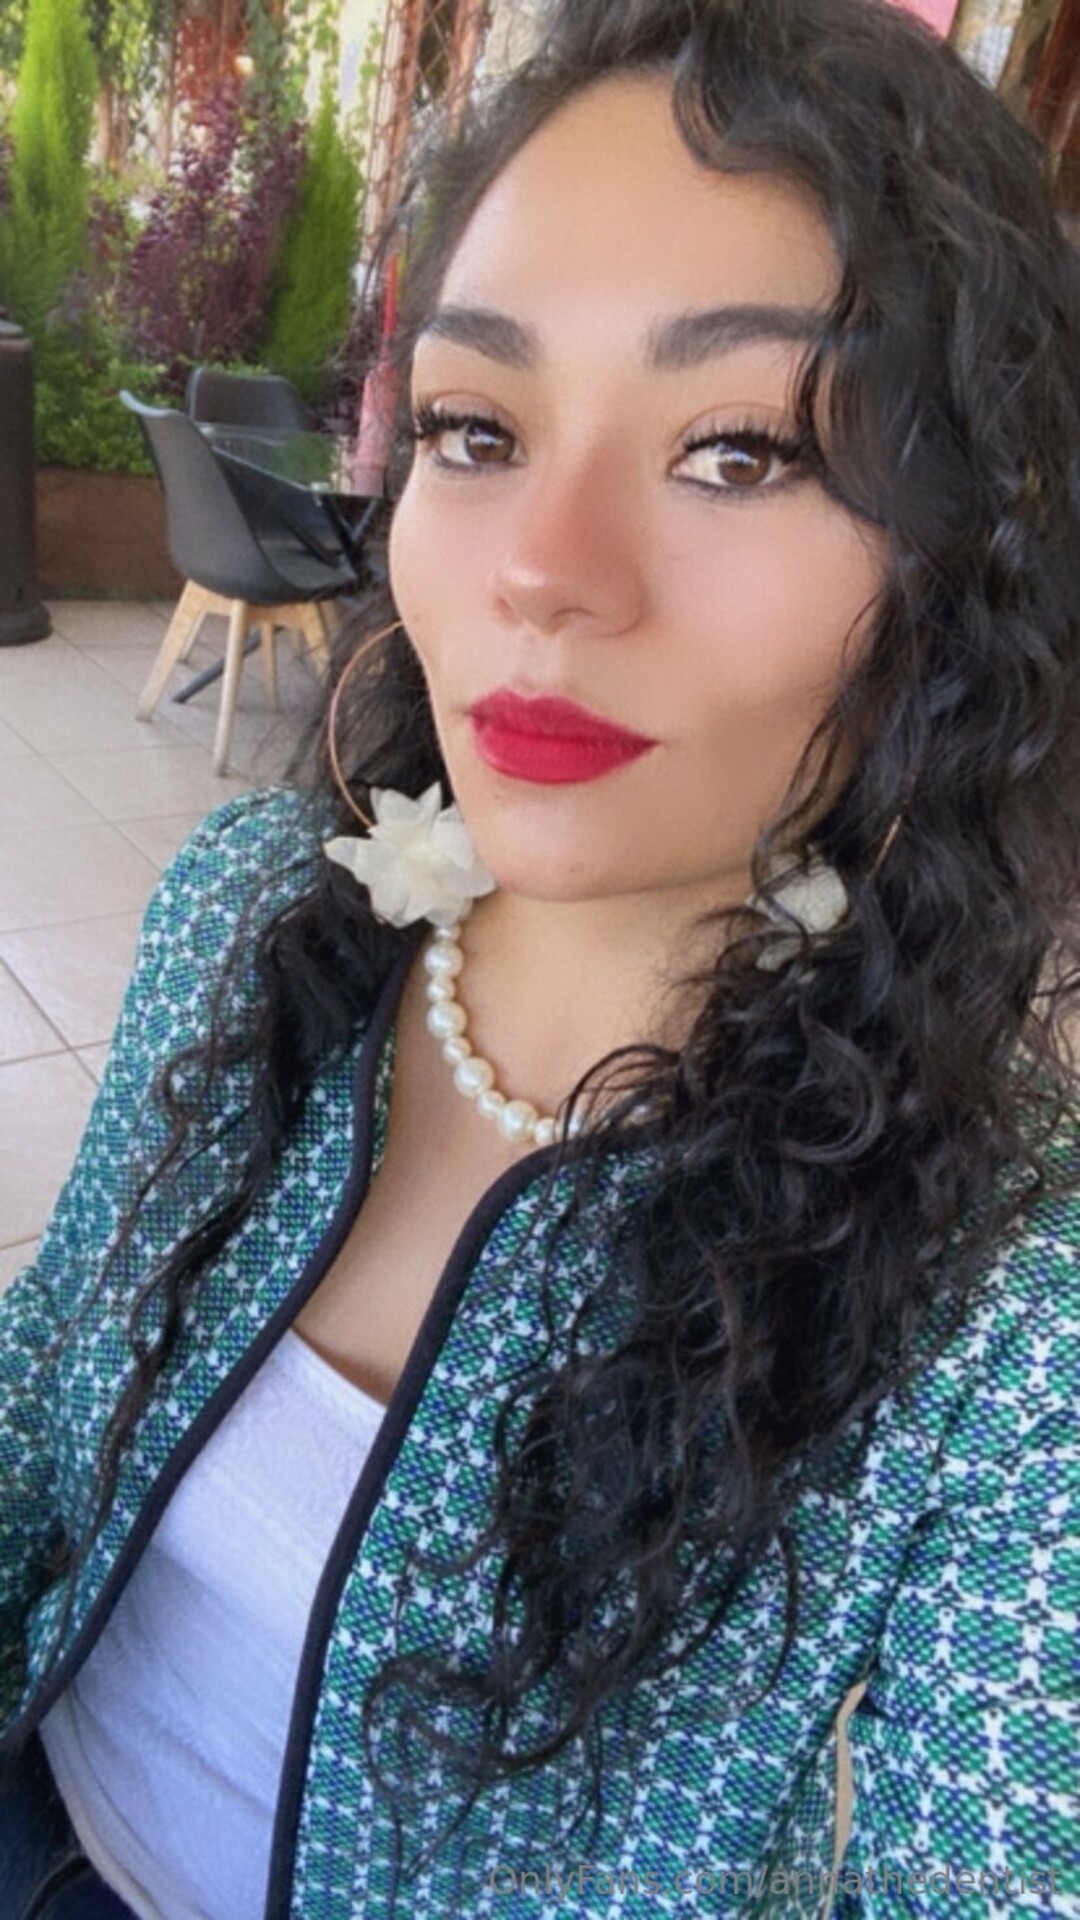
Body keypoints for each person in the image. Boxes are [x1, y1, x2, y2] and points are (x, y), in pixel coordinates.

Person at [2, 0, 1079, 1913]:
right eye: (477, 430)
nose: (542, 569)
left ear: (964, 561)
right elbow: (43, 1390)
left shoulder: (1018, 1300)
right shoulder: (256, 906)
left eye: (742, 449)